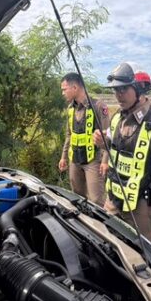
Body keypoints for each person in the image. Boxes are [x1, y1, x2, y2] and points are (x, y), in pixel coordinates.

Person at [93, 62, 151, 244]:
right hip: (113, 200)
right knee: (108, 247)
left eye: (124, 89)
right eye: (115, 90)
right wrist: (104, 144)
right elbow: (117, 150)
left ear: (139, 89)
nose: (118, 95)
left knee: (142, 259)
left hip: (141, 209)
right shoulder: (117, 117)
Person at [59, 73, 110, 206]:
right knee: (76, 197)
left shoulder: (98, 106)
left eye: (64, 89)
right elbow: (69, 135)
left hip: (93, 160)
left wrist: (105, 161)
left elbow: (107, 136)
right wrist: (63, 157)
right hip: (74, 160)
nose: (62, 93)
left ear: (74, 87)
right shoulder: (71, 109)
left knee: (96, 200)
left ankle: (99, 226)